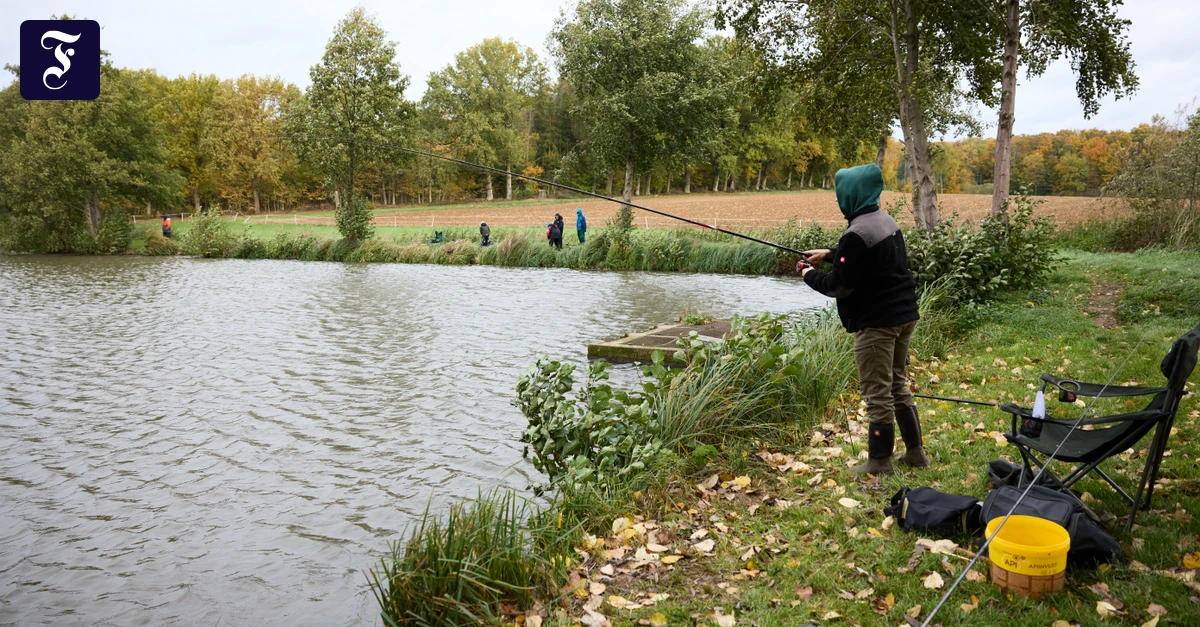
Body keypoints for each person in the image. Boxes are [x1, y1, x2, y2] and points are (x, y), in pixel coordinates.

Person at [799, 163, 925, 475]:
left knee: (878, 392)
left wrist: (808, 273)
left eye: (840, 193)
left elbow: (839, 286)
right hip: (904, 316)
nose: (838, 199)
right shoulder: (884, 220)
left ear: (851, 195)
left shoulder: (856, 234)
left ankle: (879, 462)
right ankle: (915, 453)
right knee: (897, 384)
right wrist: (831, 253)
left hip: (877, 323)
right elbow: (868, 261)